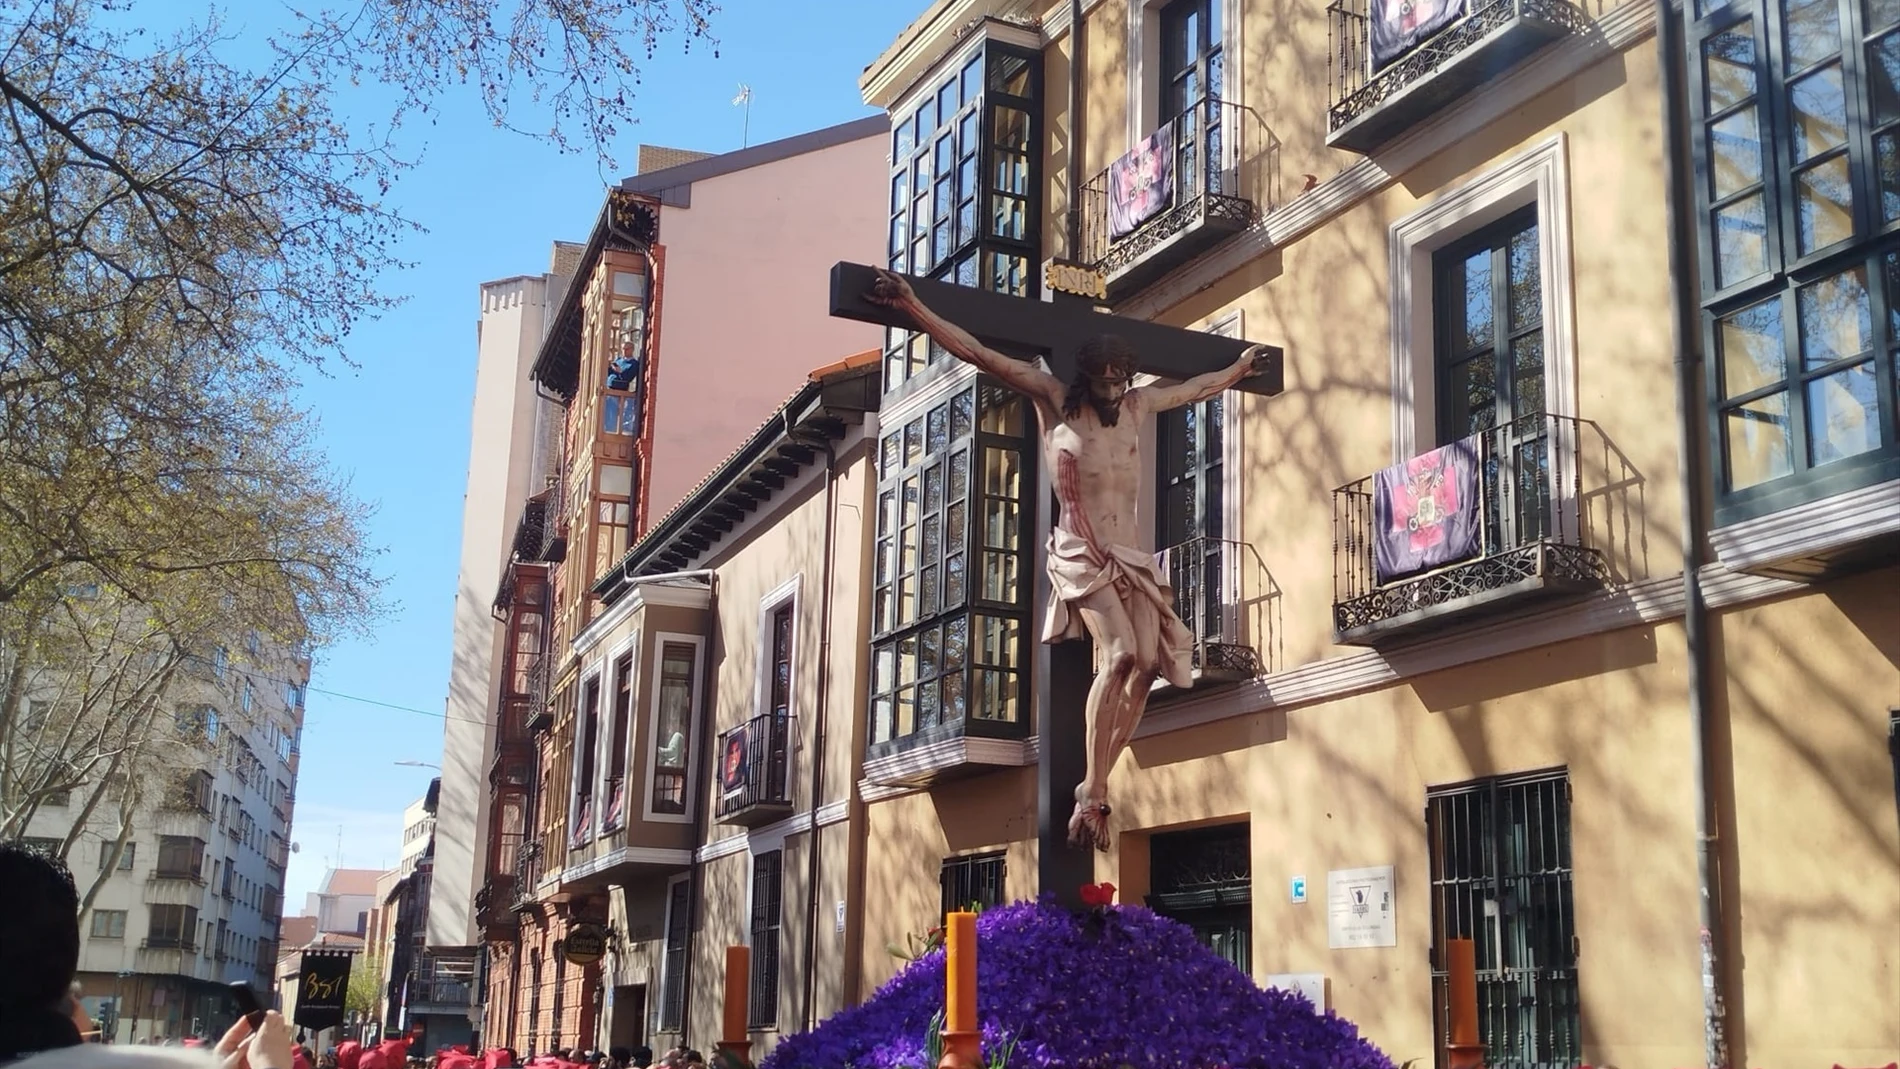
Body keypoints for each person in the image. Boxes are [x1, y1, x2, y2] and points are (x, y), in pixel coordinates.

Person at [869, 268, 1272, 850]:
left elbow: (1195, 390)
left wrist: (1236, 370)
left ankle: (1096, 786)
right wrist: (913, 306)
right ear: (1086, 372)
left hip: (1129, 555)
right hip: (1081, 551)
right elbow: (979, 353)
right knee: (1122, 654)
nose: (1112, 383)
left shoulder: (1136, 408)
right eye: (1103, 374)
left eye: (1120, 375)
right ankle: (1094, 783)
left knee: (1149, 666)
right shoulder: (1053, 400)